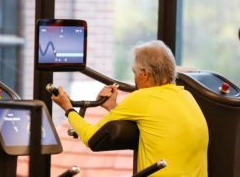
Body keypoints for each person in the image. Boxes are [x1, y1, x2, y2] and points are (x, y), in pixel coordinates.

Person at [51, 40, 209, 176]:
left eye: (134, 73)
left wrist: (68, 108)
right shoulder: (187, 96)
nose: (134, 79)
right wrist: (113, 108)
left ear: (145, 74)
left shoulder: (143, 97)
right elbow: (154, 120)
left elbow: (90, 138)